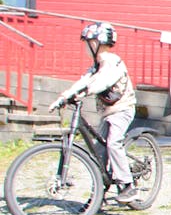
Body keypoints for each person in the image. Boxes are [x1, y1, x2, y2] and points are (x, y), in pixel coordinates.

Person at [49, 22, 138, 201]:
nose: (86, 47)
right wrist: (64, 96)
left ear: (98, 43)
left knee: (113, 142)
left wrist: (86, 92)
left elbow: (104, 81)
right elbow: (84, 80)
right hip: (107, 113)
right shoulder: (96, 66)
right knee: (99, 151)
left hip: (122, 109)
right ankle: (98, 195)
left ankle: (128, 185)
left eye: (88, 42)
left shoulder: (112, 61)